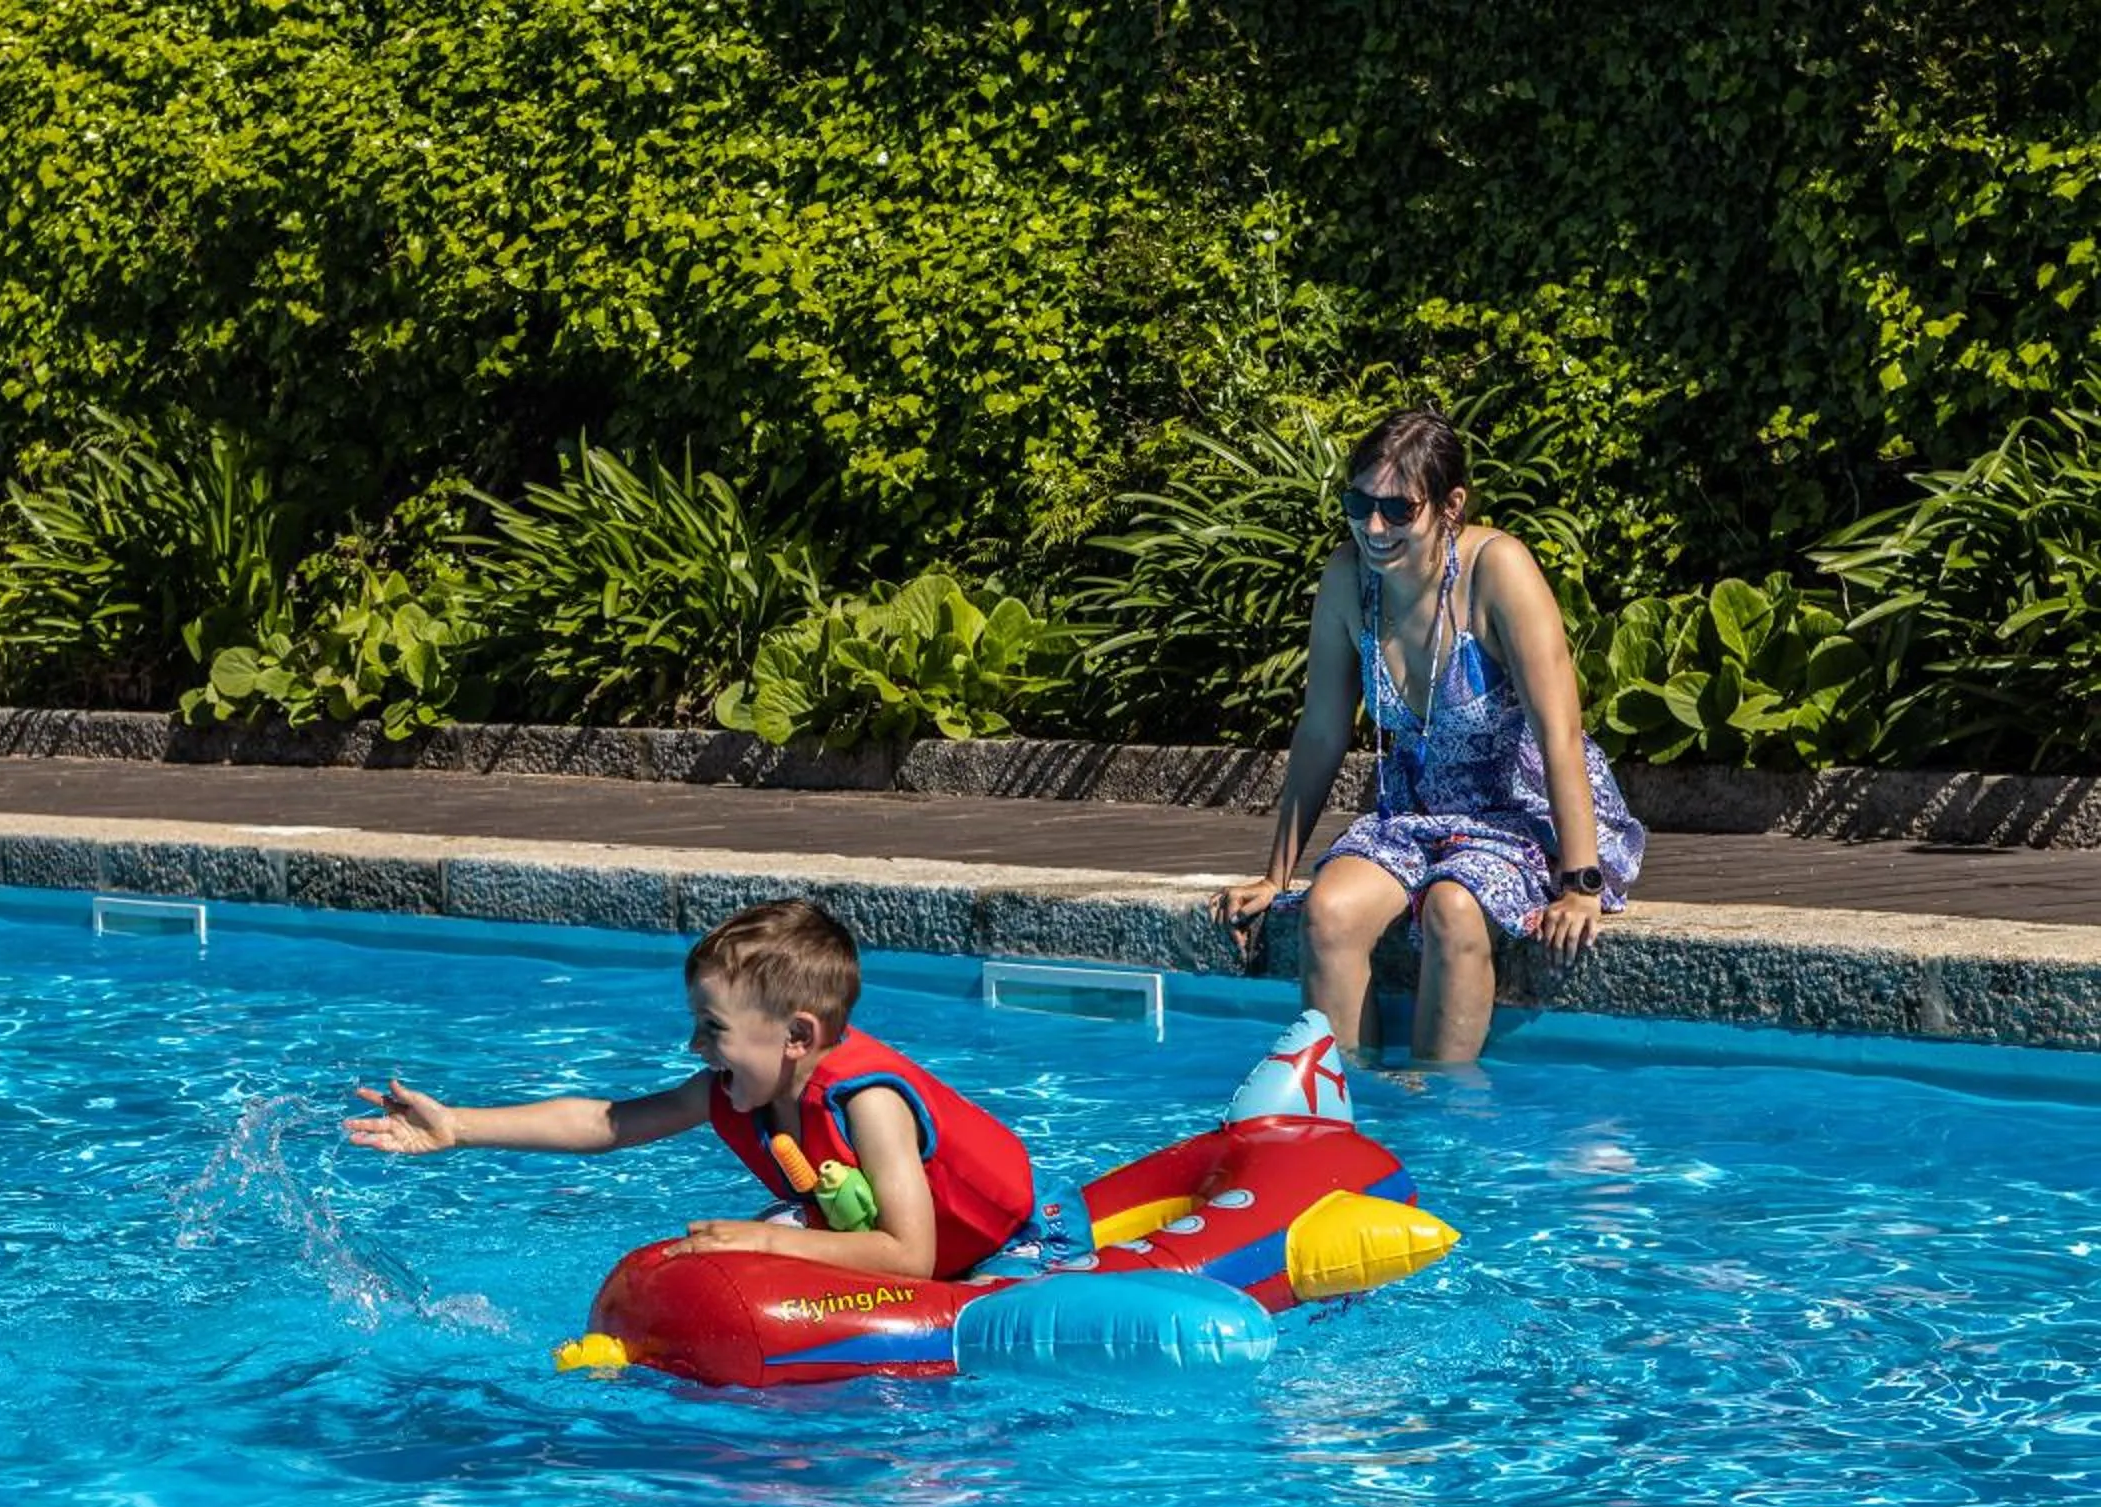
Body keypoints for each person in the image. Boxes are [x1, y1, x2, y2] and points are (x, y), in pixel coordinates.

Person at [1209, 407, 1646, 1063]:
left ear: (1450, 506)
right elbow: (1323, 731)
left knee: (1453, 907)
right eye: (1359, 503)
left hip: (1521, 817)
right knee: (1327, 913)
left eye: (1396, 509)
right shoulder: (1349, 582)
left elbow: (1561, 733)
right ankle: (1345, 1120)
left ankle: (1442, 1130)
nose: (1373, 526)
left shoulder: (1498, 572)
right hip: (1412, 815)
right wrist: (1276, 876)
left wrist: (1580, 886)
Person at [344, 898, 1037, 1281]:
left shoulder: (870, 1108)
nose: (694, 1048)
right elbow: (605, 1123)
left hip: (997, 1249)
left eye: (711, 1028)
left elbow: (911, 1256)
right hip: (878, 1234)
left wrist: (765, 1247)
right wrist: (459, 1127)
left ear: (796, 1036)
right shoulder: (738, 1090)